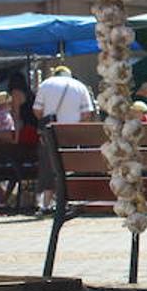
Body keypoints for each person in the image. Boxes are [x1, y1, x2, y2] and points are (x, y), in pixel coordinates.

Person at [33, 65, 96, 213]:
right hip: (71, 134)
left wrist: (47, 118)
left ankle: (46, 204)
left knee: (48, 167)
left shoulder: (46, 84)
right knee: (69, 168)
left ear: (55, 74)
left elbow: (37, 110)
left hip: (50, 133)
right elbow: (87, 114)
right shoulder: (80, 86)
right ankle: (68, 201)